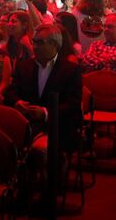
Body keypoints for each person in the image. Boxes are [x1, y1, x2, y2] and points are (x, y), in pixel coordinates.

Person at [5, 23, 82, 155]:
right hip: (27, 122)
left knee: (39, 150)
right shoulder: (24, 67)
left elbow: (73, 104)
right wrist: (17, 102)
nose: (35, 46)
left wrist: (46, 113)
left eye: (40, 42)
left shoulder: (70, 69)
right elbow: (10, 93)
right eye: (34, 41)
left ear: (54, 44)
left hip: (58, 126)